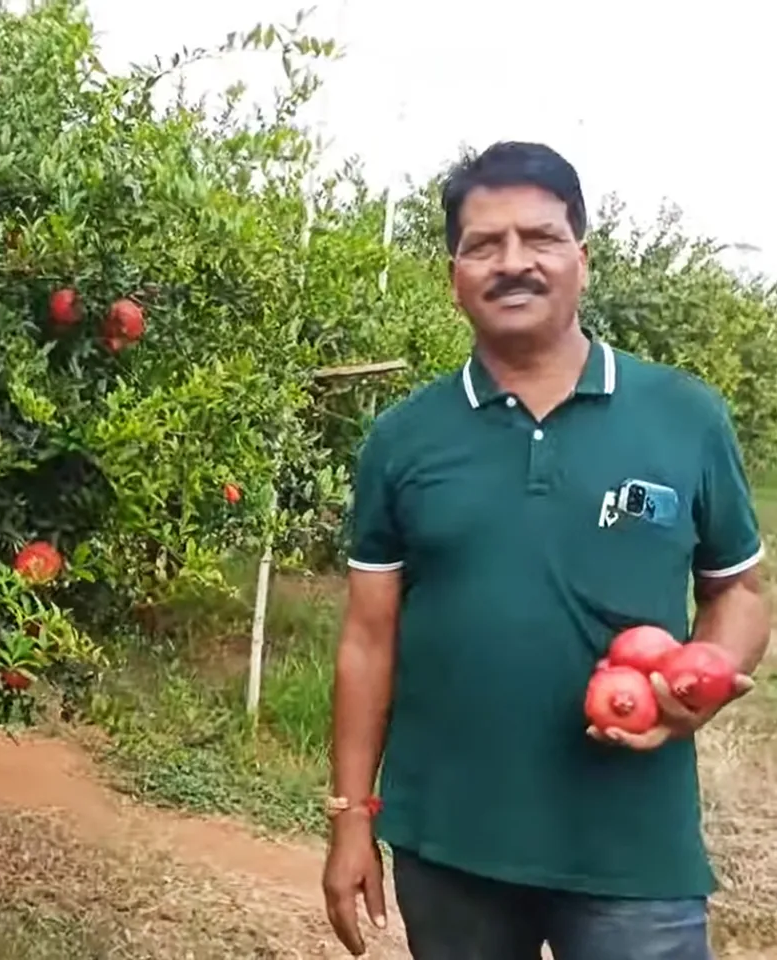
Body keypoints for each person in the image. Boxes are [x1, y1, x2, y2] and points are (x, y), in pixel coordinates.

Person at [321, 141, 772, 960]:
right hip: (452, 848)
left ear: (582, 258)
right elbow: (367, 637)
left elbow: (737, 591)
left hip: (634, 853)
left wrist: (698, 684)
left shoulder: (684, 416)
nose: (513, 263)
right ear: (454, 270)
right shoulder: (404, 439)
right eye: (483, 245)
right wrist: (351, 817)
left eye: (540, 238)